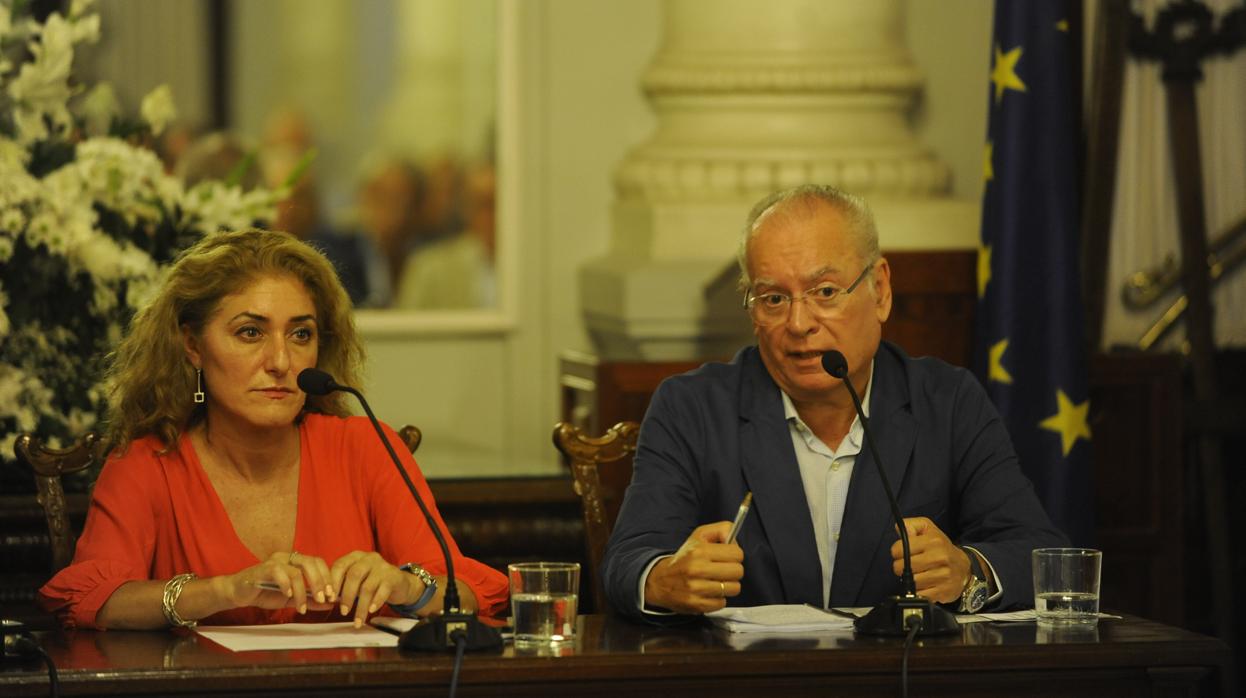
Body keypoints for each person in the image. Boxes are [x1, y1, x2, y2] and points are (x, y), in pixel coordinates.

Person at [601, 184, 1068, 622]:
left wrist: (969, 571)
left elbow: (1038, 552)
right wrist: (665, 579)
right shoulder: (693, 408)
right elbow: (627, 562)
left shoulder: (947, 401)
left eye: (825, 292)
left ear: (880, 291)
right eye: (773, 298)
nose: (799, 323)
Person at [38, 229, 508, 630]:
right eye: (250, 333)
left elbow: (469, 592)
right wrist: (227, 590)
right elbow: (91, 601)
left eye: (300, 334)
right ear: (192, 345)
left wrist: (408, 586)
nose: (281, 362)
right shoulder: (149, 462)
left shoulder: (367, 448)